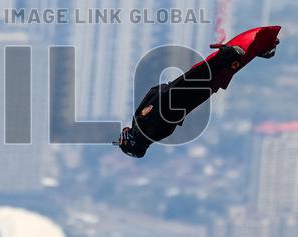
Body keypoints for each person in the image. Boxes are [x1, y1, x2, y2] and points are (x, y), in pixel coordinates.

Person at [117, 26, 280, 158]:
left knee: (210, 74)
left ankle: (252, 51)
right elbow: (161, 105)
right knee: (210, 74)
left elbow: (154, 94)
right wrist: (171, 92)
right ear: (131, 143)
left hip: (179, 95)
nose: (121, 137)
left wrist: (168, 89)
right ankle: (240, 54)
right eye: (122, 141)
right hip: (179, 98)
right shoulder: (146, 131)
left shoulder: (142, 129)